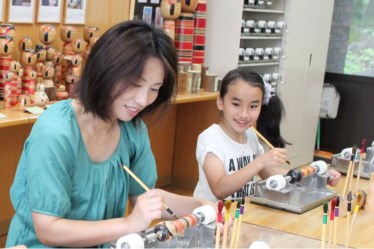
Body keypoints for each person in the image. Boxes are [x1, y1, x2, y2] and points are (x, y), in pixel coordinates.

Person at [6, 20, 213, 248]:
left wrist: (201, 207)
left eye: (154, 89)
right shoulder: (55, 132)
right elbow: (48, 229)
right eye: (135, 84)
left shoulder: (131, 128)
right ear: (105, 71)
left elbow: (145, 196)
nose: (143, 100)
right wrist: (129, 224)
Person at [193, 68, 341, 202]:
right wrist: (259, 162)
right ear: (220, 102)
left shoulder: (250, 135)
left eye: (253, 106)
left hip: (239, 217)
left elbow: (270, 175)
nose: (244, 114)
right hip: (211, 221)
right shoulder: (210, 138)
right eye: (236, 104)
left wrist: (314, 176)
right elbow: (219, 189)